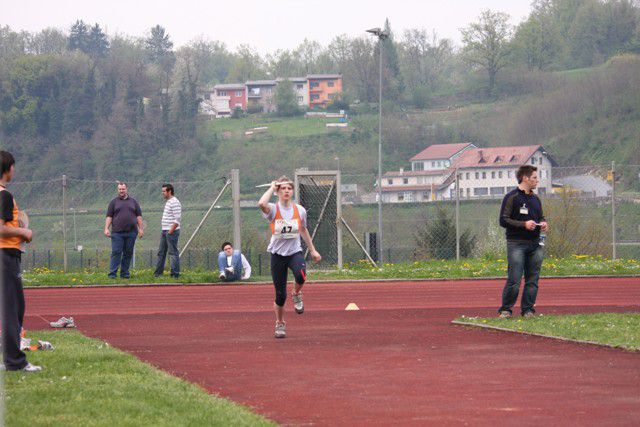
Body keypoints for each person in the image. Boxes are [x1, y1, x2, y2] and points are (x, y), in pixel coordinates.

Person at [258, 176, 321, 338]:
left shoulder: (300, 210)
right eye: (283, 188)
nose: (286, 191)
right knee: (280, 295)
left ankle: (296, 293)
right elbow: (261, 204)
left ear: (292, 191)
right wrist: (272, 187)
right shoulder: (273, 209)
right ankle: (280, 323)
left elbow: (303, 230)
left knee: (301, 275)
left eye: (289, 188)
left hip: (294, 252)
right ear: (278, 192)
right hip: (278, 255)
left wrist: (313, 250)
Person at [0, 151, 41, 371]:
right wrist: (24, 232)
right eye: (12, 167)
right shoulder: (4, 195)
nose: (14, 170)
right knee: (12, 309)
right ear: (7, 169)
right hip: (6, 255)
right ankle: (14, 361)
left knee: (13, 307)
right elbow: (2, 228)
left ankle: (10, 358)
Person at [498, 165, 548, 318]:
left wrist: (544, 223)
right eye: (534, 178)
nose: (537, 181)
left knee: (533, 279)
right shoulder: (511, 197)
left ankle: (528, 310)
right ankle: (506, 310)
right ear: (525, 178)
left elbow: (540, 217)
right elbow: (503, 220)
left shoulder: (536, 199)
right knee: (514, 279)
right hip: (516, 244)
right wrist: (524, 224)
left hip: (535, 244)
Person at [104, 182, 143, 279]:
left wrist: (141, 229)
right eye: (120, 189)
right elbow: (109, 216)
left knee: (128, 253)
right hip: (117, 233)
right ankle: (112, 274)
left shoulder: (134, 202)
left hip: (131, 232)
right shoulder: (113, 202)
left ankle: (125, 274)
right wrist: (106, 228)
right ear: (118, 190)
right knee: (116, 252)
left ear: (126, 189)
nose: (121, 191)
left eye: (123, 189)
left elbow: (138, 216)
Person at [154, 183, 181, 278]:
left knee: (173, 253)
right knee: (161, 252)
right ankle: (158, 273)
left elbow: (177, 220)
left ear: (169, 191)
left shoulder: (175, 202)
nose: (163, 193)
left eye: (164, 191)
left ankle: (175, 274)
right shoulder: (168, 202)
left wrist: (170, 232)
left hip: (171, 232)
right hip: (164, 231)